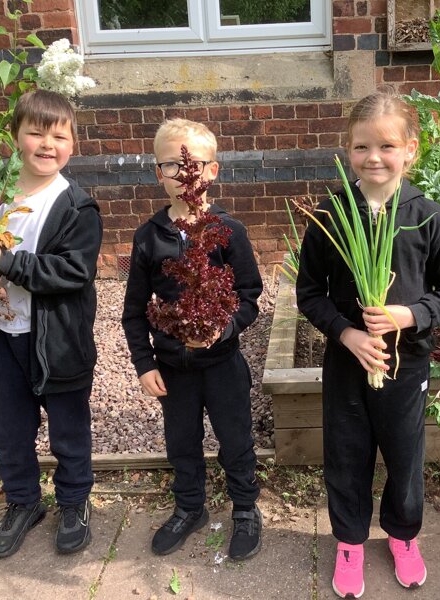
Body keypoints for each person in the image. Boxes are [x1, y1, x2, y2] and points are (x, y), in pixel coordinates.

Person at [296, 91, 440, 598]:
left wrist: (407, 314)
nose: (374, 157)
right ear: (347, 150)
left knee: (404, 452)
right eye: (361, 147)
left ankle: (402, 534)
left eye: (387, 146)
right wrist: (347, 334)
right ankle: (349, 541)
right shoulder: (331, 215)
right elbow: (309, 293)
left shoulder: (427, 217)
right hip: (348, 363)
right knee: (346, 452)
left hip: (405, 362)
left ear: (410, 150)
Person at [0, 89, 103, 558]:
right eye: (35, 132)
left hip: (58, 341)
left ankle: (75, 502)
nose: (46, 144)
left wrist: (6, 261)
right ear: (15, 136)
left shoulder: (77, 206)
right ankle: (22, 503)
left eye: (59, 135)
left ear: (73, 145)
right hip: (3, 337)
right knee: (9, 432)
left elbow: (72, 271)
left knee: (68, 429)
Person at [121, 119, 264, 561]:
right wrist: (145, 364)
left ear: (213, 170)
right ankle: (189, 507)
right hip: (173, 369)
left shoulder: (228, 230)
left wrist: (224, 328)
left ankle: (245, 508)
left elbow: (250, 297)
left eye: (195, 164)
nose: (185, 175)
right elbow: (133, 311)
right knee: (181, 442)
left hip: (222, 365)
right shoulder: (149, 237)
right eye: (172, 165)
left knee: (235, 438)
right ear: (158, 172)